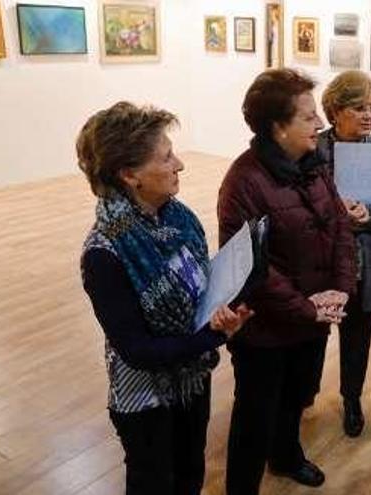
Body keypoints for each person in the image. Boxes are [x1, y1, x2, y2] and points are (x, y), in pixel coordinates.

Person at [78, 101, 253, 494]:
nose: (180, 165)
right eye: (167, 157)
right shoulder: (104, 254)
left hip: (191, 380)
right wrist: (214, 336)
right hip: (145, 400)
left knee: (190, 473)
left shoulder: (178, 218)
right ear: (129, 175)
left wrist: (225, 306)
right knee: (154, 483)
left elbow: (198, 287)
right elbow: (138, 351)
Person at [218, 68, 356, 495]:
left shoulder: (313, 167)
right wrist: (308, 307)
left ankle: (286, 456)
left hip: (312, 318)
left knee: (297, 397)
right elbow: (254, 269)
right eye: (308, 117)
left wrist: (341, 289)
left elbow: (340, 230)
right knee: (255, 414)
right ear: (277, 127)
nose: (319, 124)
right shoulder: (242, 182)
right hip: (266, 328)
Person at [317, 70, 371, 437]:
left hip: (366, 269)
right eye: (358, 107)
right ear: (335, 112)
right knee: (312, 336)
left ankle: (351, 399)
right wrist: (336, 215)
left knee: (358, 340)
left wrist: (368, 215)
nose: (368, 114)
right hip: (320, 267)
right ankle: (303, 393)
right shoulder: (312, 151)